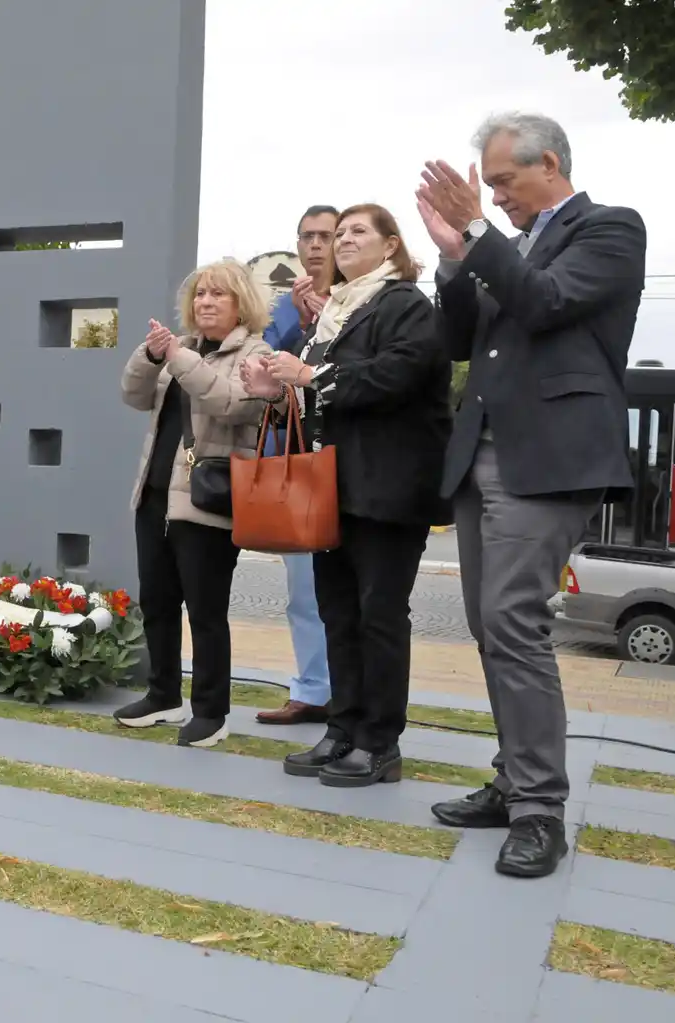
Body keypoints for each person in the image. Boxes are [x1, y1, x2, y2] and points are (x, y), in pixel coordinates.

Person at [417, 112, 645, 877]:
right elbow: (458, 339)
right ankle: (515, 778)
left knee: (512, 620)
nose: (498, 195)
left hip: (547, 461)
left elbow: (545, 303)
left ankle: (540, 810)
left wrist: (477, 232)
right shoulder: (501, 249)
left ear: (549, 163)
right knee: (492, 626)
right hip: (479, 455)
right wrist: (454, 259)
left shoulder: (610, 229)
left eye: (506, 181)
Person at [244, 205, 452, 786]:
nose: (343, 240)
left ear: (390, 246)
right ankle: (342, 730)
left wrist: (309, 377)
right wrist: (275, 391)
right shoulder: (332, 315)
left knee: (380, 616)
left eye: (357, 231)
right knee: (337, 612)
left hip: (389, 489)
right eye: (339, 234)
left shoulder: (405, 304)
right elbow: (323, 403)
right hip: (334, 488)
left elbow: (397, 378)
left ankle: (380, 744)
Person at [113, 259, 279, 748]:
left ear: (241, 302)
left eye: (218, 295)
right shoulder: (178, 347)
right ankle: (162, 695)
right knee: (157, 603)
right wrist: (150, 353)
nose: (205, 302)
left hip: (209, 500)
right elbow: (132, 395)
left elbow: (230, 404)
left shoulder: (257, 351)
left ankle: (212, 711)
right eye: (201, 294)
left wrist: (178, 361)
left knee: (206, 611)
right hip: (155, 493)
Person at [256, 204, 339, 726]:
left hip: (356, 460)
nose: (315, 245)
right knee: (305, 588)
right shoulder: (284, 310)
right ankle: (312, 689)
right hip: (301, 469)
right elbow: (260, 364)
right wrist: (294, 320)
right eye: (306, 236)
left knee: (360, 595)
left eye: (325, 235)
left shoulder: (366, 302)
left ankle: (354, 696)